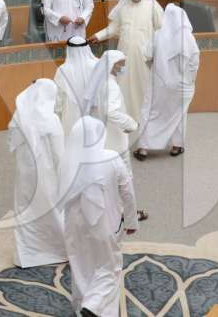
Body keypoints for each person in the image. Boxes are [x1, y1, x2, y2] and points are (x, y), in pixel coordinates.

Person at [57, 116, 138, 317]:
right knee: (110, 267)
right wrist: (131, 220)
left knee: (81, 264)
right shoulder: (111, 157)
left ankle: (82, 306)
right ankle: (94, 306)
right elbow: (127, 192)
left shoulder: (67, 162)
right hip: (104, 222)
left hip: (73, 224)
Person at [88, 0, 163, 133]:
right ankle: (127, 119)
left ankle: (145, 120)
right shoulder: (123, 8)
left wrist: (157, 52)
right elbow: (114, 28)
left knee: (144, 86)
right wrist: (98, 36)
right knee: (123, 86)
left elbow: (161, 30)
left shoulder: (152, 7)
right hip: (124, 56)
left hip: (145, 58)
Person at [9, 79, 67, 268]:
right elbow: (59, 154)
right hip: (47, 173)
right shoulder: (51, 120)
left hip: (25, 172)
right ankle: (57, 249)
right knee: (51, 207)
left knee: (26, 208)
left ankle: (26, 254)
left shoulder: (20, 117)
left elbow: (12, 144)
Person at [134, 4, 200, 159]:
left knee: (150, 112)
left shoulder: (158, 35)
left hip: (160, 84)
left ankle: (143, 148)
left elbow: (147, 54)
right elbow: (194, 63)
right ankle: (177, 146)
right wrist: (189, 81)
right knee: (179, 114)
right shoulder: (189, 38)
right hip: (183, 86)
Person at [83, 50, 137, 171]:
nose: (124, 66)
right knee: (121, 165)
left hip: (102, 129)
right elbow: (111, 112)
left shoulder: (100, 81)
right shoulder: (111, 85)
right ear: (113, 64)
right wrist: (130, 123)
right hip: (114, 131)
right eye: (122, 63)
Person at [54, 36, 99, 136]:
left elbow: (58, 99)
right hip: (94, 113)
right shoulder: (96, 65)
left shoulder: (62, 70)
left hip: (71, 116)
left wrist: (57, 116)